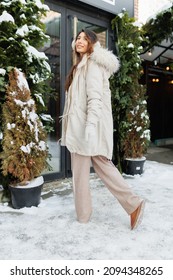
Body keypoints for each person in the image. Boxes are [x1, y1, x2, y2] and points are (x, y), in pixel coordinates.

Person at [61, 29, 145, 230]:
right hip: (86, 126)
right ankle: (133, 204)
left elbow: (95, 99)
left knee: (82, 173)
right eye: (77, 38)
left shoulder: (91, 65)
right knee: (103, 165)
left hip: (86, 128)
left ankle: (83, 217)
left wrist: (89, 126)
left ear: (92, 44)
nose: (79, 41)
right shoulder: (80, 66)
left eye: (84, 38)